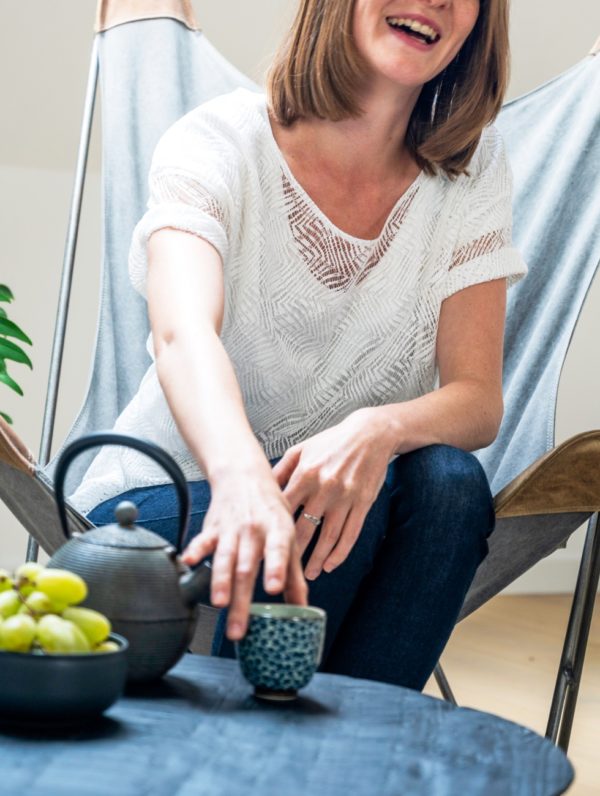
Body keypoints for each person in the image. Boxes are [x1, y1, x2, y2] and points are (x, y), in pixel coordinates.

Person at [73, 0, 527, 690]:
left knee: (451, 484)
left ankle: (345, 758)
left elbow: (477, 398)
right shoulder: (217, 141)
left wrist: (373, 431)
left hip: (346, 503)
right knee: (347, 505)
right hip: (174, 500)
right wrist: (246, 480)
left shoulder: (468, 175)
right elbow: (181, 331)